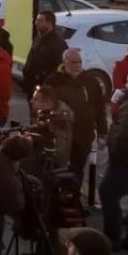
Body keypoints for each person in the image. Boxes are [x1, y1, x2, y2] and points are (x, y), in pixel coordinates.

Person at [44, 48, 107, 183]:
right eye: (74, 62)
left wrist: (102, 132)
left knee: (77, 170)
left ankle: (74, 192)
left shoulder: (90, 80)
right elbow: (43, 105)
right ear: (65, 62)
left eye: (79, 62)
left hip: (84, 135)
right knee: (58, 169)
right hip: (61, 135)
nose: (78, 65)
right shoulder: (53, 81)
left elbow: (99, 107)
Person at [102, 70, 128, 252]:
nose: (125, 86)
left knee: (108, 193)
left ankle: (111, 239)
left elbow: (124, 134)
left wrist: (116, 155)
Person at [29, 85, 76, 170]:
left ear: (47, 102)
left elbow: (58, 148)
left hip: (55, 162)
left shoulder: (61, 117)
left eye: (36, 99)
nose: (31, 101)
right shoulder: (42, 112)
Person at [23, 10, 68, 97]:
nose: (36, 23)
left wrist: (47, 82)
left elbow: (60, 67)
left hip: (45, 88)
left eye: (40, 20)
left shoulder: (57, 43)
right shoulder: (38, 38)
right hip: (32, 86)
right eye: (36, 20)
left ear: (49, 23)